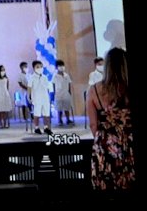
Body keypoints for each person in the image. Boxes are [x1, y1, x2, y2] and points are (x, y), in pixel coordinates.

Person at [86, 47, 135, 190]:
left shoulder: (94, 90)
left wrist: (105, 140)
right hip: (130, 143)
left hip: (106, 146)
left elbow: (93, 125)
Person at [28, 60, 53, 135]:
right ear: (34, 68)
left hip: (45, 98)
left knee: (46, 114)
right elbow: (29, 88)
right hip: (36, 99)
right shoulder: (32, 77)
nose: (40, 68)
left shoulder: (45, 77)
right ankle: (36, 128)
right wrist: (29, 97)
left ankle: (46, 128)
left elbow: (48, 88)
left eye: (41, 67)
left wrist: (50, 97)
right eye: (38, 67)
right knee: (37, 114)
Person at [53, 59, 74, 126]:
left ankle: (68, 119)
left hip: (66, 93)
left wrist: (69, 92)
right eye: (60, 66)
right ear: (56, 67)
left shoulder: (66, 75)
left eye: (62, 65)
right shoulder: (55, 76)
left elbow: (69, 83)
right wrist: (55, 93)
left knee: (67, 107)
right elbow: (53, 84)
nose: (61, 67)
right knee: (59, 108)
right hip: (58, 94)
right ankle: (60, 120)